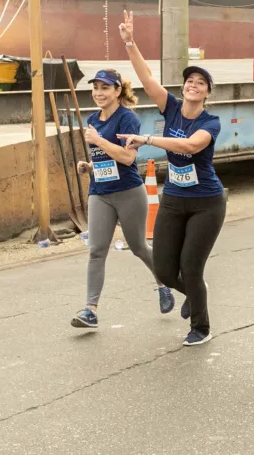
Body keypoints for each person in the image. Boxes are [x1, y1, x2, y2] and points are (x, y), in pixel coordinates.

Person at [115, 11, 226, 347]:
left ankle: (201, 327)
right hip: (175, 200)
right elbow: (147, 78)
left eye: (200, 83)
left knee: (190, 267)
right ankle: (196, 292)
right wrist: (129, 43)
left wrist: (148, 140)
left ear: (207, 93)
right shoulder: (172, 107)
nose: (193, 86)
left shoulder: (212, 122)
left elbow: (191, 146)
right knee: (164, 270)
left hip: (207, 203)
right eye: (190, 81)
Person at [71, 69, 174, 329]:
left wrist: (97, 141)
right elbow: (106, 160)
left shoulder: (127, 119)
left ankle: (165, 283)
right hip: (100, 193)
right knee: (96, 251)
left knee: (138, 246)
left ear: (117, 91)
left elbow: (128, 159)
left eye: (104, 88)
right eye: (95, 88)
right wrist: (90, 167)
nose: (98, 93)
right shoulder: (93, 118)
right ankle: (90, 310)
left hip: (128, 192)